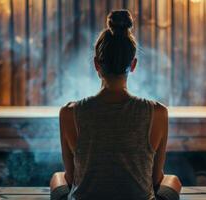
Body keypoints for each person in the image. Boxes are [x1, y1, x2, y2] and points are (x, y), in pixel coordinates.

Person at [50, 9, 182, 200]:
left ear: (97, 64)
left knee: (57, 178)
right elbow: (155, 180)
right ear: (133, 64)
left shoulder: (69, 113)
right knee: (173, 180)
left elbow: (71, 179)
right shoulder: (158, 112)